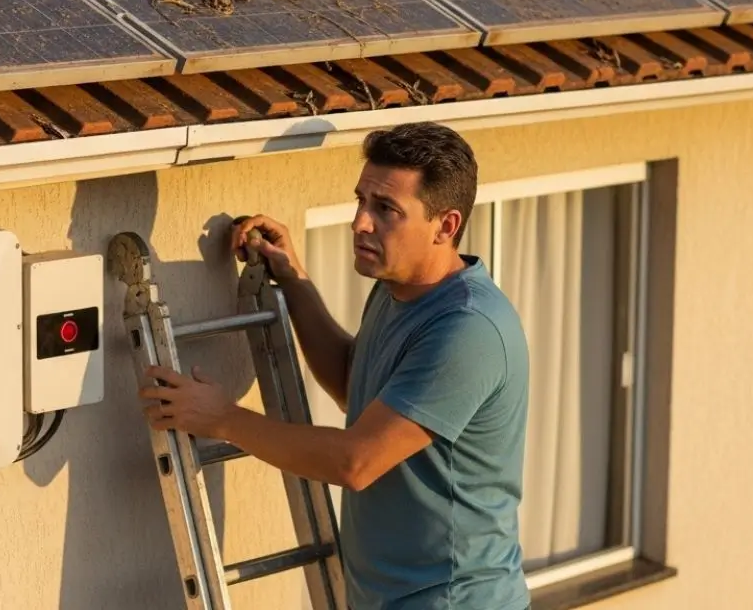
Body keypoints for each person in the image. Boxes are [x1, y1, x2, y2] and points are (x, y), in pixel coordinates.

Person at [139, 121, 530, 610]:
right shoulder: (397, 292)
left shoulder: (467, 330)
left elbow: (356, 461)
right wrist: (294, 281)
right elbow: (354, 384)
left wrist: (221, 418)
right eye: (361, 200)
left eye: (386, 209)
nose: (360, 223)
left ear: (445, 226)